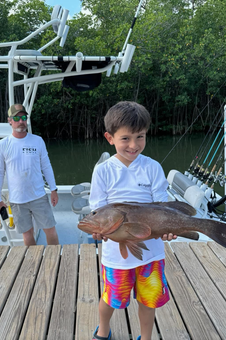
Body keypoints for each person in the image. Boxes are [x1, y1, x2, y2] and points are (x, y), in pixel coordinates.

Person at [90, 101, 176, 340]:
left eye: (140, 136)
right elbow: (97, 208)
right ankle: (103, 330)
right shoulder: (103, 171)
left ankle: (146, 338)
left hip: (152, 253)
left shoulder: (153, 167)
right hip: (115, 256)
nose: (134, 145)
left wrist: (168, 228)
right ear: (110, 137)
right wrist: (98, 230)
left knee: (149, 300)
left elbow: (162, 207)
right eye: (125, 138)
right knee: (112, 298)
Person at [0, 103, 59, 246]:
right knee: (27, 234)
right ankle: (34, 263)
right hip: (17, 200)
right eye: (17, 118)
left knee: (51, 231)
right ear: (9, 120)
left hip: (39, 196)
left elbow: (46, 166)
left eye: (23, 117)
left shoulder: (37, 140)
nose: (21, 121)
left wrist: (53, 189)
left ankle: (55, 260)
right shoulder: (2, 145)